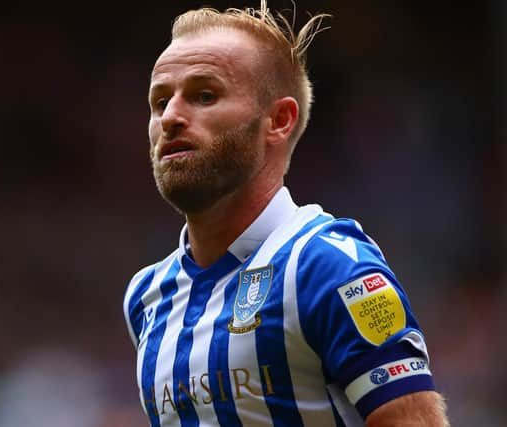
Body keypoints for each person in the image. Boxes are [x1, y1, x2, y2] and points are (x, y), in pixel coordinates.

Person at [123, 2, 450, 426]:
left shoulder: (327, 268)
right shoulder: (147, 296)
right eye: (160, 101)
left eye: (205, 95)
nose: (170, 118)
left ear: (278, 120)